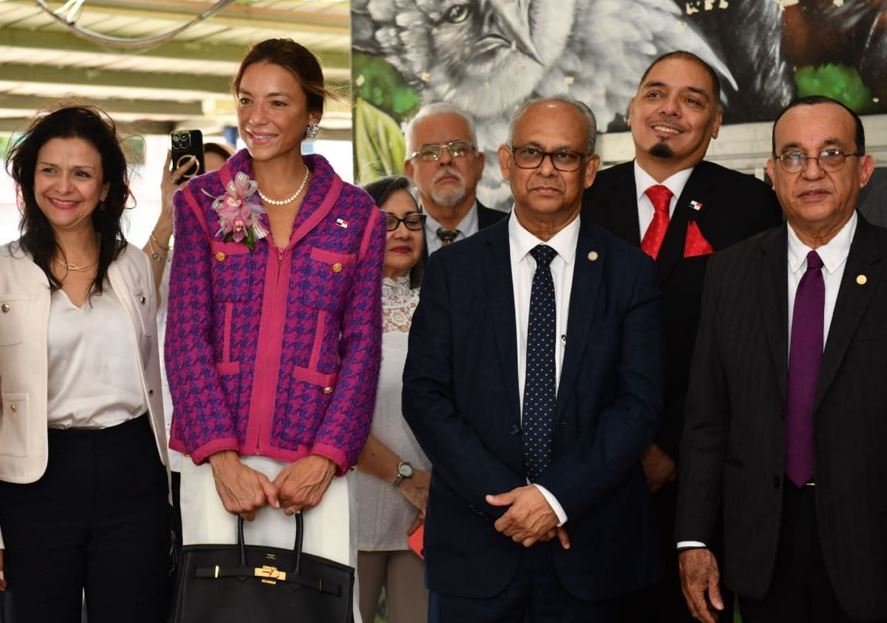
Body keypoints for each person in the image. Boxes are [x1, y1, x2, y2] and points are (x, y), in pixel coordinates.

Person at [403, 96, 664, 622]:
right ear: (505, 162)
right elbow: (426, 396)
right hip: (478, 550)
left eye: (565, 156)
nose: (546, 169)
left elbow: (638, 405)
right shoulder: (454, 271)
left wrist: (554, 498)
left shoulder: (629, 272)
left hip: (592, 555)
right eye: (531, 153)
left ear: (590, 170)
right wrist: (511, 500)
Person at [164, 38, 385, 619]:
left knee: (317, 610)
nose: (256, 119)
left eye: (278, 103)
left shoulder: (357, 214)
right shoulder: (201, 202)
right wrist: (221, 459)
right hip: (218, 460)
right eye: (246, 100)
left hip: (313, 463)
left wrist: (327, 457)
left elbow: (362, 346)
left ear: (312, 113)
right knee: (220, 608)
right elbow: (186, 335)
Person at [581, 50, 782, 623]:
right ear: (632, 107)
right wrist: (619, 446)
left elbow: (752, 351)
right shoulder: (584, 199)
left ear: (716, 124)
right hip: (589, 475)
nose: (670, 109)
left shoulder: (754, 208)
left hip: (701, 485)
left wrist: (668, 446)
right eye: (655, 93)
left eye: (692, 100)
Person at [676, 96, 887, 623]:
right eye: (793, 156)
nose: (810, 171)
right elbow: (706, 420)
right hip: (762, 546)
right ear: (771, 174)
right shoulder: (730, 274)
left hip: (874, 543)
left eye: (831, 153)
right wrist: (694, 539)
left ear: (864, 169)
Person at [0, 105, 169, 622]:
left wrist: (169, 215)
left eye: (81, 173)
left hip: (132, 467)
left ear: (106, 186)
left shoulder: (132, 265)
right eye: (49, 170)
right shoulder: (5, 272)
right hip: (35, 477)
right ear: (29, 179)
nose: (63, 187)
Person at [355, 175, 430, 623]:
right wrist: (405, 477)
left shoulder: (443, 305)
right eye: (386, 222)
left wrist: (432, 488)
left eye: (412, 221)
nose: (401, 232)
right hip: (353, 498)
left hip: (427, 508)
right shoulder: (337, 307)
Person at [404, 103, 505, 254]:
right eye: (430, 152)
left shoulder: (511, 235)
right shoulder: (394, 242)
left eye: (459, 149)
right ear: (411, 171)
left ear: (480, 164)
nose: (445, 159)